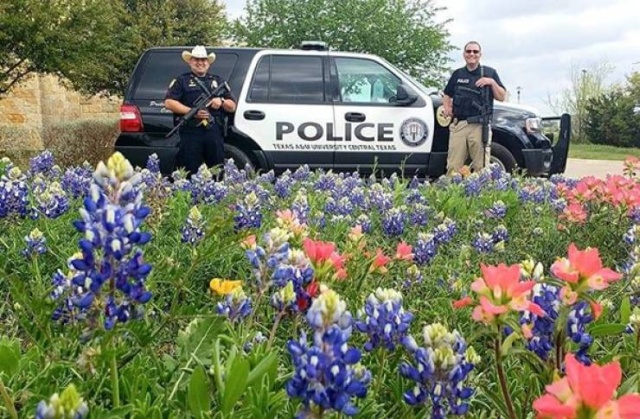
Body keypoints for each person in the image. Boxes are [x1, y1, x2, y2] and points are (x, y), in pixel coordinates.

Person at [165, 45, 236, 176]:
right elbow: (169, 102)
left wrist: (221, 101)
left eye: (203, 60)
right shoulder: (182, 81)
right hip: (190, 133)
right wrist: (191, 111)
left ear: (208, 63)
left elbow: (232, 106)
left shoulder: (217, 81)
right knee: (188, 172)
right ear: (190, 62)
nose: (200, 63)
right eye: (196, 59)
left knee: (217, 170)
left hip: (213, 133)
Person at [442, 41, 506, 174]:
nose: (472, 54)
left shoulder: (489, 72)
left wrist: (491, 82)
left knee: (481, 168)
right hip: (459, 124)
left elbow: (501, 96)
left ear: (480, 54)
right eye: (469, 51)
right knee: (453, 167)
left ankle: (480, 193)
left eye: (475, 52)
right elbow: (447, 94)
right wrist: (447, 107)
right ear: (464, 54)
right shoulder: (458, 74)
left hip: (479, 126)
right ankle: (453, 194)